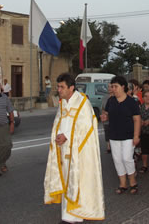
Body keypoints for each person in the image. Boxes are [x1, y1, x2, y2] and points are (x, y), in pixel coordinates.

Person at [44, 73, 104, 223]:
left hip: (78, 151)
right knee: (66, 180)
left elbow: (86, 127)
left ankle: (74, 215)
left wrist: (67, 137)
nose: (59, 90)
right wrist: (57, 135)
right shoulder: (63, 103)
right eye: (58, 87)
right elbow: (59, 122)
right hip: (63, 149)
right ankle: (68, 214)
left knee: (76, 181)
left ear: (71, 87)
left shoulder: (83, 103)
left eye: (62, 87)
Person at [101, 76, 141, 195]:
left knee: (127, 158)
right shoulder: (111, 101)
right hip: (114, 135)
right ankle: (122, 184)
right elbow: (106, 113)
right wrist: (104, 117)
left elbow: (137, 120)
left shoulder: (131, 102)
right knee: (117, 159)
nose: (113, 89)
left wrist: (136, 136)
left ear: (123, 87)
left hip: (128, 135)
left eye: (115, 86)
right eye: (112, 86)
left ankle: (133, 182)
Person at [139, 89, 149, 175]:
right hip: (143, 131)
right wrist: (140, 121)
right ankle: (144, 165)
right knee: (144, 149)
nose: (147, 98)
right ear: (143, 98)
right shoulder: (141, 106)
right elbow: (138, 117)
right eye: (145, 96)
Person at [101, 83, 113, 153]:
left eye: (111, 87)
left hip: (113, 118)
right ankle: (108, 146)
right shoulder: (105, 97)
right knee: (107, 131)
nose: (109, 88)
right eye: (108, 87)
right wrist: (103, 114)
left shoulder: (116, 97)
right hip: (106, 118)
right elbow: (102, 108)